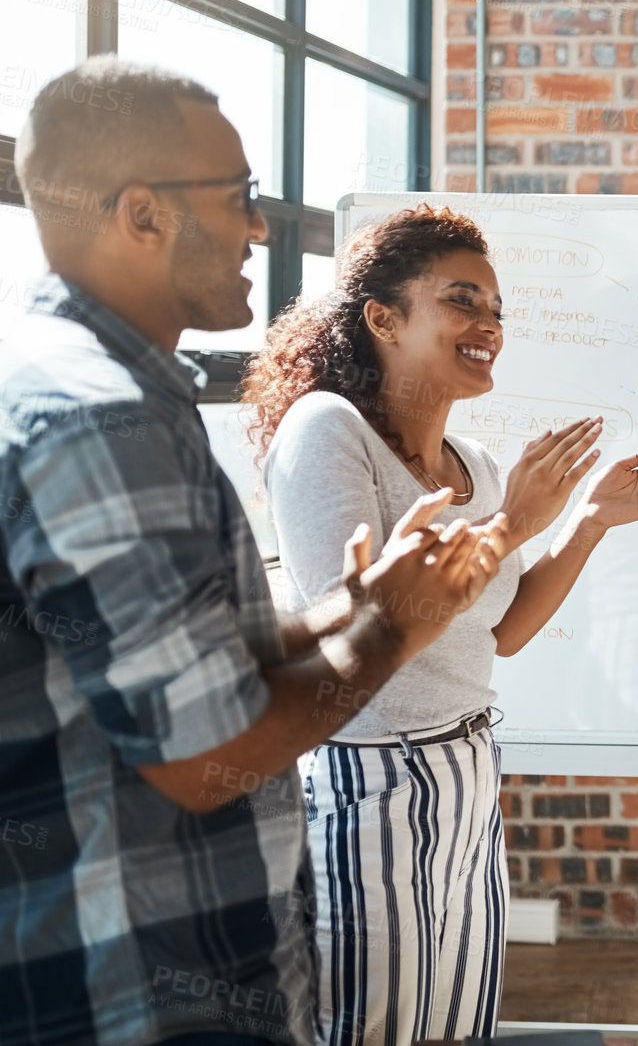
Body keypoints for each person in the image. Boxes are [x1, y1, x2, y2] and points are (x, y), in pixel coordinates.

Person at [0, 59, 506, 1046]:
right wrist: (386, 630)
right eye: (238, 198)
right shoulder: (98, 417)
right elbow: (205, 755)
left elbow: (152, 647)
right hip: (133, 995)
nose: (262, 229)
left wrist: (341, 608)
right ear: (141, 214)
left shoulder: (104, 389)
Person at [243, 204, 638, 1046]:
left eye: (496, 309)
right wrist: (513, 524)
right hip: (371, 781)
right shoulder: (325, 429)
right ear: (382, 317)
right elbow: (362, 638)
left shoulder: (476, 465)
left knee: (456, 1028)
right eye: (461, 301)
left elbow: (504, 631)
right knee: (371, 1029)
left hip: (468, 769)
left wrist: (586, 518)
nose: (488, 325)